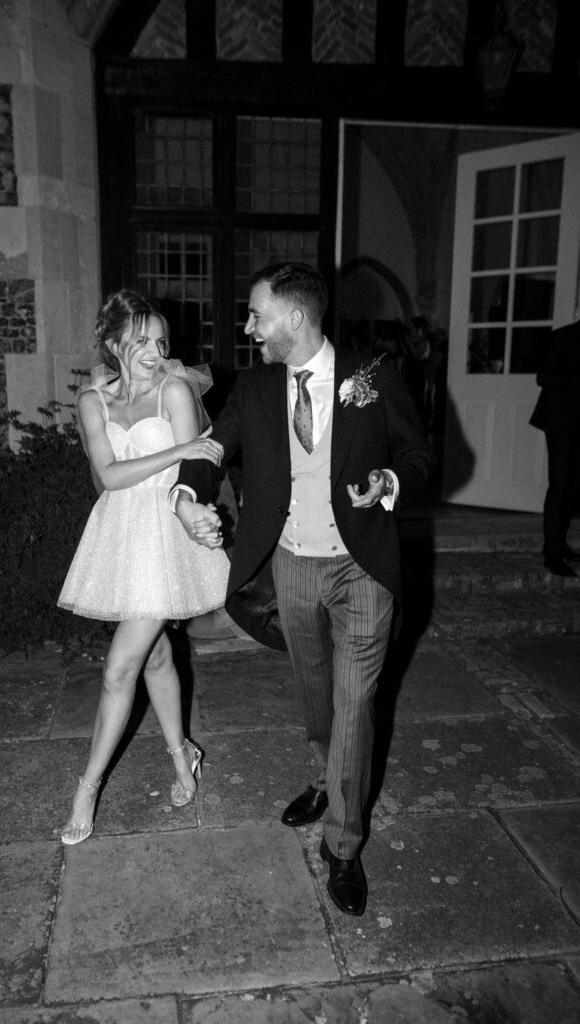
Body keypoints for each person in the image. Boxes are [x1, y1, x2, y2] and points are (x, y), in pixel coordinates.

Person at [172, 263, 433, 916]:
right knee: (316, 697)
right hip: (290, 567)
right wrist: (185, 496)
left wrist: (390, 483)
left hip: (363, 567)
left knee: (356, 703)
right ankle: (326, 775)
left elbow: (419, 455)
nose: (248, 327)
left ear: (294, 317)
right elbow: (210, 447)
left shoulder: (372, 377)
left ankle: (343, 844)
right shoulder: (257, 387)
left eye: (256, 314)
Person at [57, 289, 229, 845]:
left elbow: (196, 475)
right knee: (154, 654)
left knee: (118, 669)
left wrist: (186, 462)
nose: (155, 353)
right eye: (141, 342)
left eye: (160, 341)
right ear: (113, 344)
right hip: (120, 535)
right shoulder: (92, 400)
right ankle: (183, 755)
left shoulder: (174, 391)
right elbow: (109, 475)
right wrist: (178, 450)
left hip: (165, 535)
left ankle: (87, 788)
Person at [529, 315, 580, 577]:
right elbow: (544, 377)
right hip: (560, 422)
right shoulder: (563, 336)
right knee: (560, 484)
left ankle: (558, 542)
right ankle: (553, 552)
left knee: (574, 487)